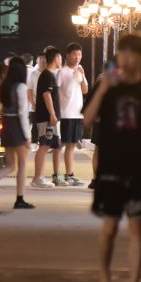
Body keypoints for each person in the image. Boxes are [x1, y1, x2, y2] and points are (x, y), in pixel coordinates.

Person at [82, 33, 141, 282]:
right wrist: (103, 89)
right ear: (118, 56)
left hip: (139, 166)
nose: (128, 59)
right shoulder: (108, 87)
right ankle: (104, 280)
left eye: (133, 54)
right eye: (123, 53)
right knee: (109, 227)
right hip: (110, 167)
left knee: (136, 227)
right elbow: (87, 120)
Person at [0, 56, 38, 210]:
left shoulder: (3, 86)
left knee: (11, 165)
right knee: (22, 164)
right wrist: (27, 136)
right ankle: (20, 199)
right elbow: (22, 113)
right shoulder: (21, 87)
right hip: (17, 126)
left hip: (7, 125)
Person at [55, 43, 88, 187]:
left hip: (77, 114)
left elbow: (85, 90)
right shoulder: (61, 72)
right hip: (65, 114)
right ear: (67, 55)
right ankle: (56, 175)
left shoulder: (79, 70)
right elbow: (55, 93)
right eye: (75, 54)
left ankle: (69, 175)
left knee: (72, 145)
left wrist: (83, 75)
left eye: (79, 54)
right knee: (60, 145)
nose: (77, 57)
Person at [31, 45, 64, 189]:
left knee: (46, 145)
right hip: (46, 118)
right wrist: (52, 114)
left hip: (48, 117)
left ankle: (40, 177)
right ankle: (37, 178)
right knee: (44, 145)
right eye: (60, 58)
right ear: (56, 58)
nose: (61, 61)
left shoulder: (49, 75)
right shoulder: (47, 75)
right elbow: (46, 94)